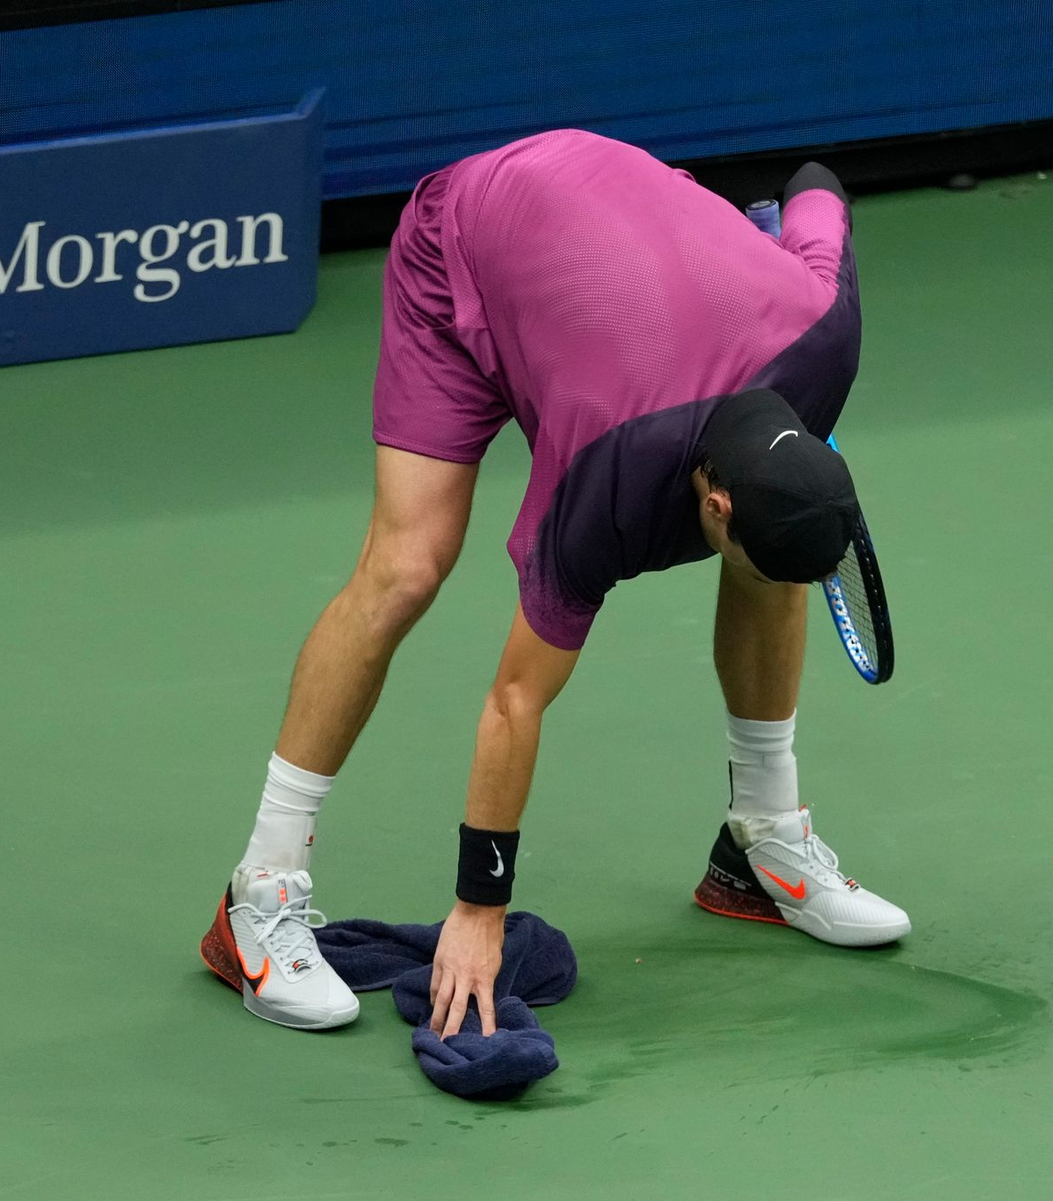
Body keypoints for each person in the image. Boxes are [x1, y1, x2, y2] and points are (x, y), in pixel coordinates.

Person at [199, 128, 910, 1037]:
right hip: (469, 235)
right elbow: (515, 700)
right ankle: (254, 901)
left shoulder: (826, 330)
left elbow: (816, 182)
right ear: (716, 506)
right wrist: (478, 912)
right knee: (406, 567)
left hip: (614, 224)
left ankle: (759, 846)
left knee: (781, 564)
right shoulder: (603, 477)